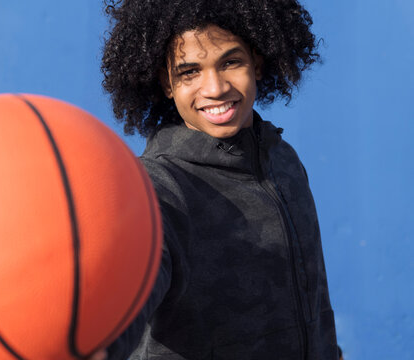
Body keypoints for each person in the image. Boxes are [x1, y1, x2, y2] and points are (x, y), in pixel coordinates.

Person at [100, 0, 339, 359]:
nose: (214, 88)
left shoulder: (284, 159)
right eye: (189, 72)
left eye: (230, 62)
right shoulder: (154, 189)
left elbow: (315, 299)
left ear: (256, 62)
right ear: (167, 83)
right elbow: (125, 305)